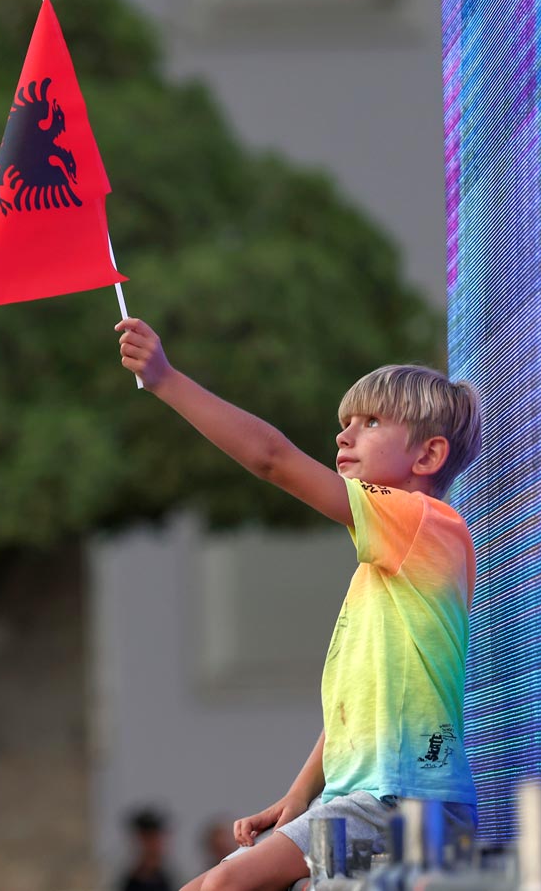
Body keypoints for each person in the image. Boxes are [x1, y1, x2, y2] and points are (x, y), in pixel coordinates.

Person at [115, 318, 482, 891]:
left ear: (429, 454)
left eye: (371, 422)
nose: (344, 436)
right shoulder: (386, 566)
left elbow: (271, 458)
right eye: (346, 424)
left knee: (217, 887)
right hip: (374, 799)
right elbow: (355, 712)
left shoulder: (420, 522)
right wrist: (299, 793)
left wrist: (165, 380)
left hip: (404, 800)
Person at [118, 806, 176, 891]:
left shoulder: (170, 881)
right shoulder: (127, 881)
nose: (150, 846)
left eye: (153, 838)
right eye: (146, 838)